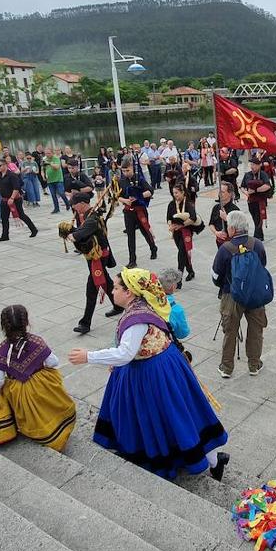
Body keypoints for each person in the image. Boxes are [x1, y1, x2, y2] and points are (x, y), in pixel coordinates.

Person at [68, 269, 230, 481]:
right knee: (182, 413)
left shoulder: (137, 319)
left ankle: (206, 460)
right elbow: (126, 348)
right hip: (162, 366)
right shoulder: (141, 306)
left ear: (130, 293)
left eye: (116, 287)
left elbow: (125, 353)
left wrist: (89, 356)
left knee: (173, 415)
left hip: (154, 372)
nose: (112, 291)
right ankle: (213, 460)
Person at [0, 305, 76, 450]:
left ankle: (30, 427)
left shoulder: (1, 350)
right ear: (26, 322)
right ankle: (57, 427)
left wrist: (5, 388)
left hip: (19, 390)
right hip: (43, 384)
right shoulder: (37, 342)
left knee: (8, 394)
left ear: (4, 326)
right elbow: (53, 362)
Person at [211, 210, 268, 378]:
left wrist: (224, 285)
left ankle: (226, 367)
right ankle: (254, 364)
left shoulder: (225, 248)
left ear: (233, 229)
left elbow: (215, 275)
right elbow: (263, 265)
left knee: (230, 332)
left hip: (232, 295)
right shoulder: (257, 244)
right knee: (256, 330)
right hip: (255, 295)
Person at [62, 190, 123, 334]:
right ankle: (119, 306)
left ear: (83, 204)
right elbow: (81, 232)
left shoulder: (92, 219)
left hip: (98, 257)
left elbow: (77, 236)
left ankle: (85, 323)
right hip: (94, 256)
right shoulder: (86, 215)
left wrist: (69, 232)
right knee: (107, 282)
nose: (73, 207)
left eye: (75, 205)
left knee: (92, 289)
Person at [119, 161, 159, 266]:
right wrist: (124, 200)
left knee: (145, 231)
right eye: (123, 171)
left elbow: (150, 191)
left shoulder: (139, 178)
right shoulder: (121, 181)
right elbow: (117, 196)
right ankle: (132, 260)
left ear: (132, 168)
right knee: (130, 236)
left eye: (127, 170)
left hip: (140, 209)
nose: (125, 173)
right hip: (128, 211)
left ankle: (153, 248)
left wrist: (138, 196)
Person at [165, 183, 202, 282]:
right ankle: (191, 271)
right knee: (184, 253)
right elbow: (168, 218)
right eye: (173, 193)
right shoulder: (172, 204)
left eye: (177, 193)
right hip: (176, 232)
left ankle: (178, 280)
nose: (175, 195)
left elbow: (193, 218)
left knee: (181, 254)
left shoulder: (188, 203)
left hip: (186, 232)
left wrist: (182, 225)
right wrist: (171, 226)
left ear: (183, 192)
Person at [0, 159, 37, 241]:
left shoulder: (12, 175)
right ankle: (5, 235)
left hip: (15, 198)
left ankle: (33, 229)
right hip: (4, 199)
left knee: (21, 215)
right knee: (4, 217)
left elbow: (16, 187)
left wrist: (12, 198)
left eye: (0, 165)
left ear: (5, 165)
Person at [240, 155, 274, 240]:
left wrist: (255, 190)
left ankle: (257, 236)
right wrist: (246, 192)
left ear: (259, 165)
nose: (252, 166)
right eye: (251, 164)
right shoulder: (247, 175)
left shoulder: (263, 174)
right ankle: (260, 235)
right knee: (254, 218)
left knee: (259, 218)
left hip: (260, 201)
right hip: (251, 200)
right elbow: (242, 186)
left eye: (254, 165)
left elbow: (267, 186)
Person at [208, 180, 239, 248]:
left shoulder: (235, 210)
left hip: (232, 244)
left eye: (223, 192)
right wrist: (216, 233)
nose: (220, 194)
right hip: (219, 242)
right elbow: (211, 224)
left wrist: (226, 218)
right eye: (219, 192)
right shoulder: (216, 207)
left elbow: (238, 229)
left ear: (230, 194)